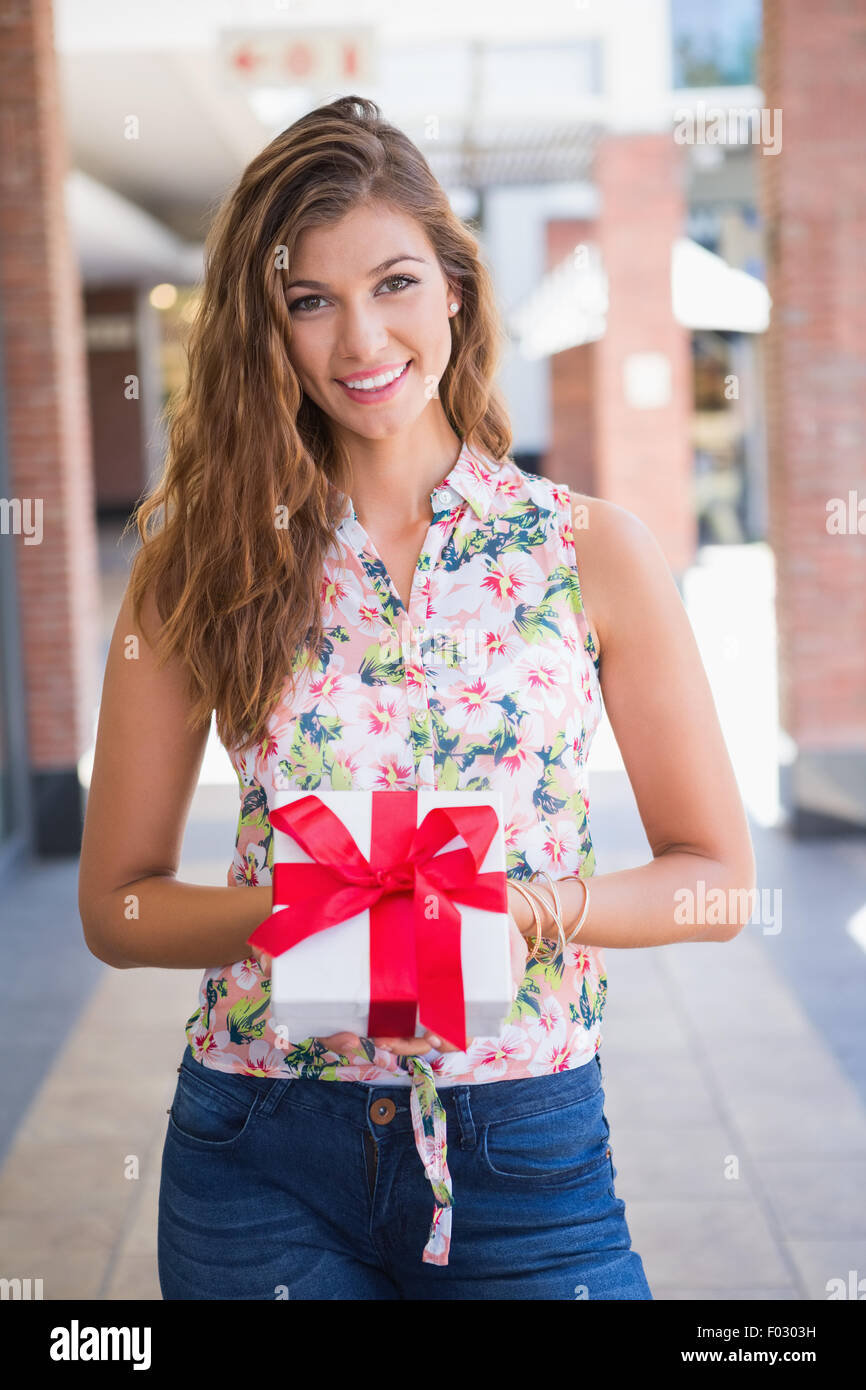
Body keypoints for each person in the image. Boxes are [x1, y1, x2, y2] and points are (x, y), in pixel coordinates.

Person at [78, 95, 756, 1300]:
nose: (359, 341)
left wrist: (527, 907)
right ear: (265, 329)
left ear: (453, 286)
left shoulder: (587, 551)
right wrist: (310, 909)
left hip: (523, 1141)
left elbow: (713, 882)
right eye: (309, 301)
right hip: (258, 1149)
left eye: (393, 283)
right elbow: (115, 910)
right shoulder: (199, 557)